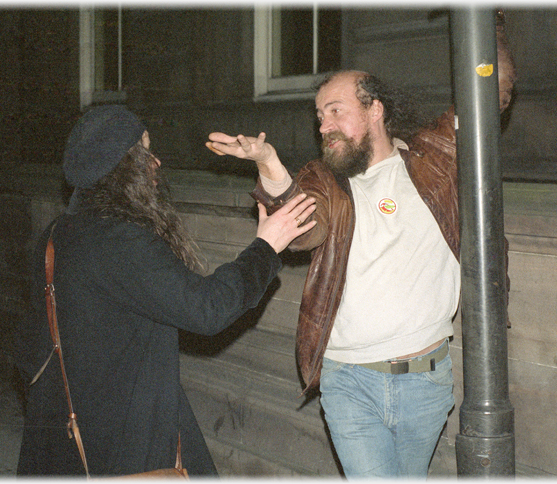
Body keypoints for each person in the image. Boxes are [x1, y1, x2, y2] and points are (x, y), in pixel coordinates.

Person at [205, 11, 515, 478]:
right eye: (318, 115)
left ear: (375, 111)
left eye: (335, 110)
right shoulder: (324, 181)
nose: (323, 124)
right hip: (350, 381)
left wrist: (487, 24)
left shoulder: (436, 156)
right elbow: (302, 227)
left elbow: (493, 92)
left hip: (427, 382)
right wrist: (267, 161)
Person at [15, 104, 317, 476]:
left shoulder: (58, 233)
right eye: (145, 151)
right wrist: (265, 247)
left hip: (72, 431)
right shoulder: (119, 239)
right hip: (122, 441)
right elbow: (207, 309)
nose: (156, 162)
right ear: (122, 166)